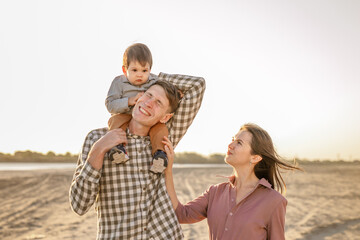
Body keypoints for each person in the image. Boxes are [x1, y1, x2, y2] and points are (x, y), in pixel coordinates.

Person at [69, 74, 205, 240]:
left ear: (165, 117)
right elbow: (79, 205)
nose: (148, 103)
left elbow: (197, 85)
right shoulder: (97, 138)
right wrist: (98, 150)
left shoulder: (164, 140)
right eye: (148, 95)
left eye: (158, 103)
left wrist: (150, 76)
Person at [163, 123, 300, 240]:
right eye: (233, 139)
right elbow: (182, 214)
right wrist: (168, 171)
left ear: (255, 158)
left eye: (239, 143)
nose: (230, 145)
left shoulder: (274, 201)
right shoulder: (215, 192)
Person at [105, 43, 170, 174]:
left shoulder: (154, 80)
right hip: (124, 114)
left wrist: (176, 90)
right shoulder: (119, 82)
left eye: (144, 70)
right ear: (125, 70)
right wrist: (129, 101)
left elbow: (167, 88)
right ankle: (117, 149)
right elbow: (110, 104)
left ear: (150, 70)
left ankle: (159, 156)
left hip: (146, 118)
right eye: (134, 70)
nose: (140, 75)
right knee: (115, 122)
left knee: (161, 129)